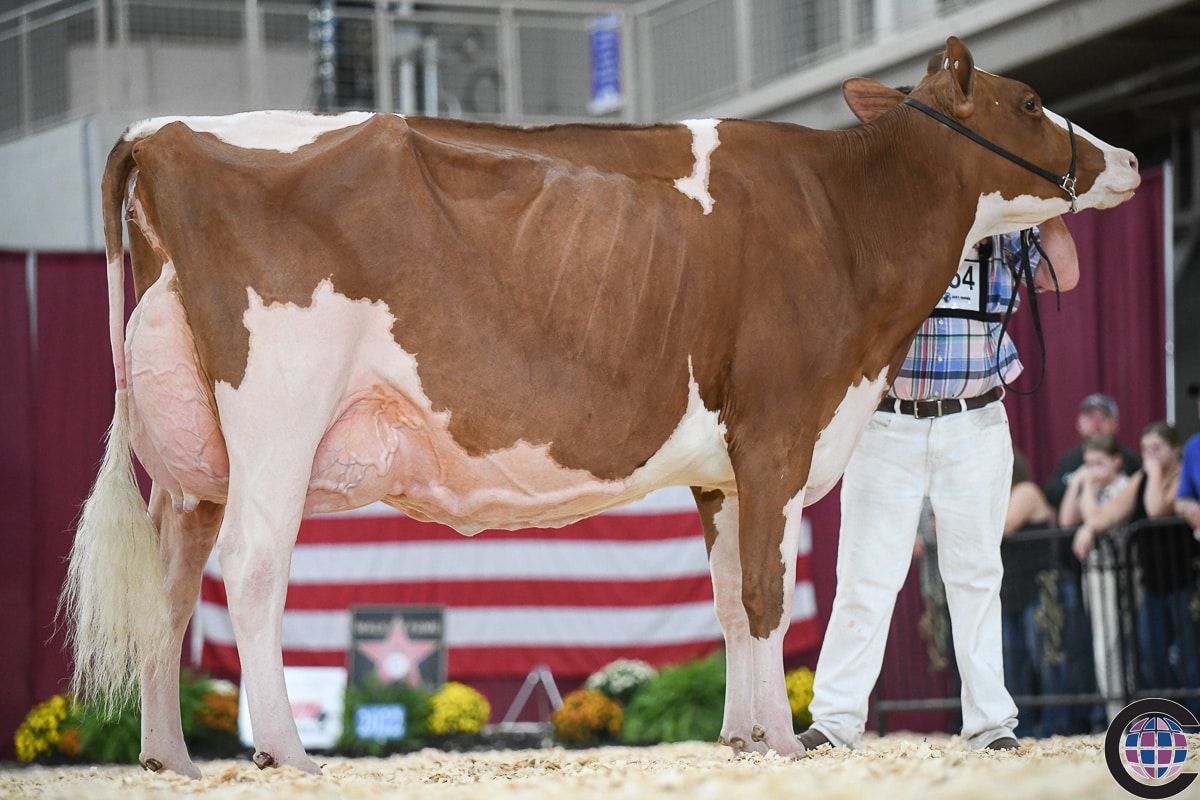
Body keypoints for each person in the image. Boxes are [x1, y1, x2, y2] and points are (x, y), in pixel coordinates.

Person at [800, 216, 1080, 753]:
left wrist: (1045, 205)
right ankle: (835, 722)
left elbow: (1061, 275)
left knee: (977, 574)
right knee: (864, 576)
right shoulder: (890, 216)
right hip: (887, 418)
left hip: (975, 418)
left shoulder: (1003, 220)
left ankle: (991, 724)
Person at [1061, 433, 1131, 724]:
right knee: (1104, 644)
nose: (1092, 471)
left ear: (1117, 461)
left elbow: (1093, 518)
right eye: (1088, 464)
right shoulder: (1092, 487)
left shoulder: (1123, 486)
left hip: (1119, 574)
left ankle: (1122, 714)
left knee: (1114, 646)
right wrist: (1077, 484)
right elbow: (1066, 519)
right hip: (1094, 575)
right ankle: (1115, 713)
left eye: (1099, 463)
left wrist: (1086, 484)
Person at [1044, 393, 1142, 511]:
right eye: (1090, 417)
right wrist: (1077, 484)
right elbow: (1051, 495)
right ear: (1079, 423)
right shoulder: (1068, 459)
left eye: (1104, 417)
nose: (1096, 423)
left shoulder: (1130, 459)